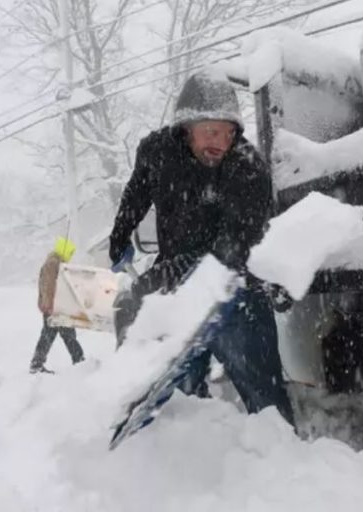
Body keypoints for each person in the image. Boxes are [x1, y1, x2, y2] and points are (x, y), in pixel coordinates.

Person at [108, 71, 295, 425]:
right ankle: (180, 433)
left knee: (264, 393)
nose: (221, 143)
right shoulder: (157, 152)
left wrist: (185, 268)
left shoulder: (247, 166)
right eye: (211, 131)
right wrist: (119, 237)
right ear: (186, 126)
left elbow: (241, 238)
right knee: (137, 316)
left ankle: (280, 445)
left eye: (228, 133)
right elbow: (136, 195)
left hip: (233, 286)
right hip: (174, 287)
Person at [30, 237, 85, 374]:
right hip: (55, 308)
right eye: (70, 252)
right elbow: (49, 286)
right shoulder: (53, 263)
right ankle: (80, 361)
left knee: (48, 335)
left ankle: (36, 364)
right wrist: (50, 306)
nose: (70, 256)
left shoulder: (55, 263)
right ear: (63, 250)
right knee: (68, 335)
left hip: (53, 306)